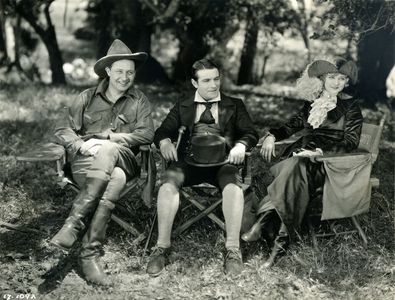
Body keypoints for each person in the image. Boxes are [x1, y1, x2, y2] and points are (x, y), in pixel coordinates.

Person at [50, 39, 154, 285]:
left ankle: (74, 223)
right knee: (114, 178)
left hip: (126, 159)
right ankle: (89, 255)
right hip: (87, 163)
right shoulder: (86, 97)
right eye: (119, 71)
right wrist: (80, 145)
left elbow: (147, 134)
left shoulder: (139, 100)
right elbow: (63, 129)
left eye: (130, 72)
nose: (125, 77)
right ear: (108, 71)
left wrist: (108, 138)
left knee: (110, 150)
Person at [242, 58, 363, 267]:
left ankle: (265, 227)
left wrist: (319, 151)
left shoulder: (351, 106)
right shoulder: (312, 103)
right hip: (299, 159)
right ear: (322, 79)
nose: (336, 83)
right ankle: (277, 245)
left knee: (295, 169)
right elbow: (290, 126)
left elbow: (350, 142)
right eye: (332, 77)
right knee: (295, 168)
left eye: (341, 78)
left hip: (329, 164)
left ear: (347, 81)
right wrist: (271, 135)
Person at [146, 58, 258, 276]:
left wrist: (241, 146)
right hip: (188, 162)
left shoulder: (234, 104)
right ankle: (161, 247)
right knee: (167, 185)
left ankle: (233, 249)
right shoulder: (184, 104)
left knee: (233, 187)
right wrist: (165, 142)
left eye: (216, 79)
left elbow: (250, 132)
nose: (213, 85)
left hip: (223, 163)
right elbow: (163, 130)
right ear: (194, 83)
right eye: (206, 80)